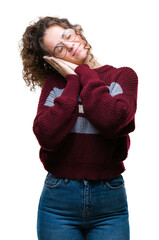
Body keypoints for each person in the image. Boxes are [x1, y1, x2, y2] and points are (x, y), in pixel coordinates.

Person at [20, 16, 138, 240]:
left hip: (109, 203)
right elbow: (46, 136)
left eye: (69, 36)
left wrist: (82, 72)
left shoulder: (122, 76)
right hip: (58, 204)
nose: (70, 45)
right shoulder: (55, 85)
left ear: (78, 33)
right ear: (53, 59)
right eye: (60, 48)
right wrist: (72, 81)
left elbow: (112, 122)